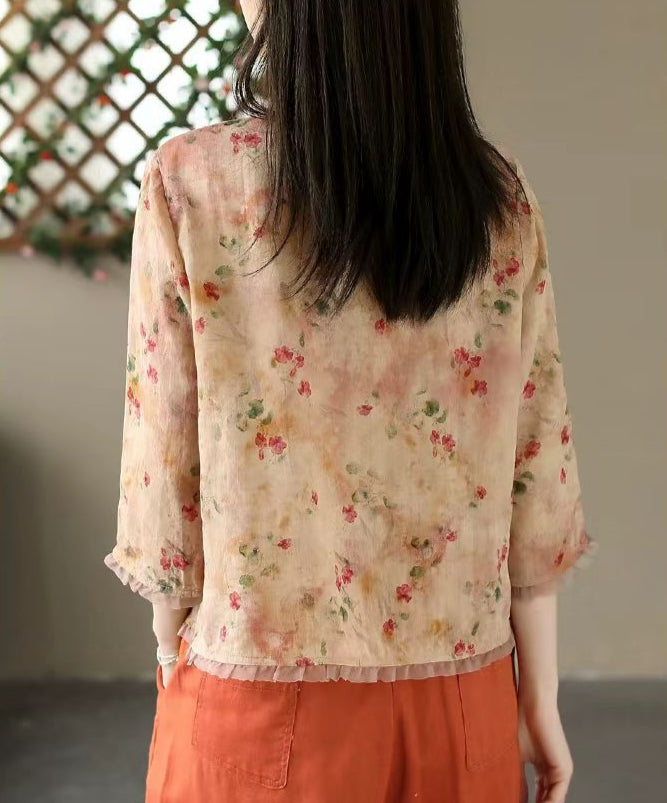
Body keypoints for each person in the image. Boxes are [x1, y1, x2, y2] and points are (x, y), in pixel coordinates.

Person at [104, 1, 598, 801]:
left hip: (252, 696)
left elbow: (164, 464)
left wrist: (168, 644)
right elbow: (535, 462)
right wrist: (538, 696)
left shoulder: (191, 182)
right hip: (460, 703)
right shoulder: (495, 195)